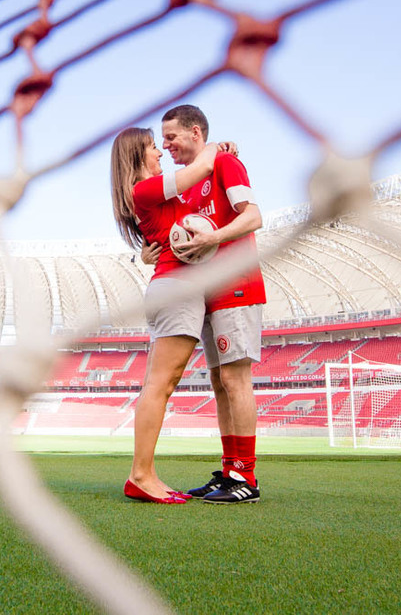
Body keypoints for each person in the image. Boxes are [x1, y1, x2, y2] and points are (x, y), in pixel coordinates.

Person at [110, 126, 231, 504]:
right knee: (160, 385)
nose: (160, 152)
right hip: (176, 288)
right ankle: (141, 476)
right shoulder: (145, 188)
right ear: (136, 156)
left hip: (176, 288)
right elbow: (201, 168)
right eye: (152, 147)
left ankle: (145, 474)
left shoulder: (152, 192)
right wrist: (216, 147)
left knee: (161, 383)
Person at [158, 104, 265, 504]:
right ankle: (230, 470)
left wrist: (214, 237)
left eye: (171, 136)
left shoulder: (224, 164)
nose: (166, 145)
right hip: (208, 292)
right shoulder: (188, 183)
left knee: (235, 380)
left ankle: (247, 478)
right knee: (220, 385)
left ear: (196, 132)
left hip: (238, 285)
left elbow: (253, 216)